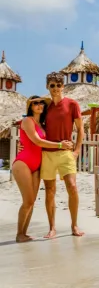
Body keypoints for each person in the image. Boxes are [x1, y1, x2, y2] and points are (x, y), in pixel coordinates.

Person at [13, 96, 73, 243]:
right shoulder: (27, 120)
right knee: (27, 201)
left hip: (37, 165)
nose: (39, 105)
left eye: (41, 103)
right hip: (23, 163)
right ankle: (19, 234)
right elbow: (37, 141)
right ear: (30, 106)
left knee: (32, 201)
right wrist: (60, 145)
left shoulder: (42, 125)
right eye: (35, 103)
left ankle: (24, 234)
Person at [41, 72, 85, 238]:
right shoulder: (44, 107)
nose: (56, 89)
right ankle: (52, 228)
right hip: (47, 154)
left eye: (59, 85)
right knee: (50, 191)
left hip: (66, 153)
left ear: (63, 86)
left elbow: (81, 129)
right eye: (52, 85)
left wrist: (77, 151)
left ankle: (74, 225)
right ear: (48, 87)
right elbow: (36, 127)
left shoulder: (72, 104)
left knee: (72, 187)